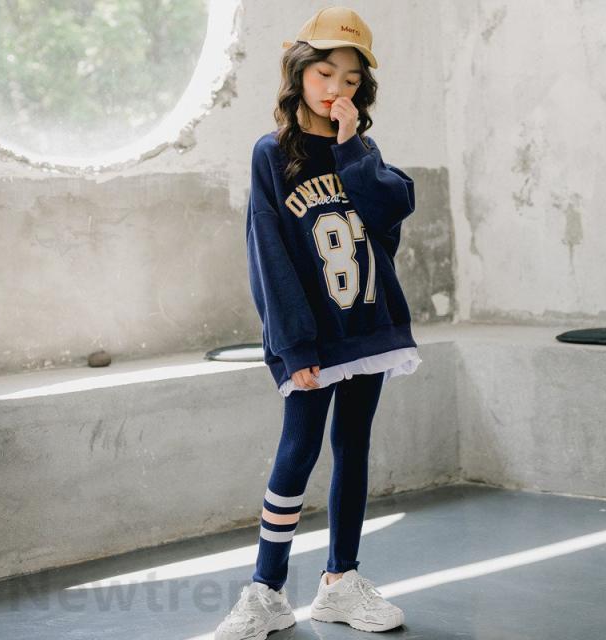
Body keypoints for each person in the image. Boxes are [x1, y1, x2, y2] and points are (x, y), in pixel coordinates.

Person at [215, 6, 421, 640]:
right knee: (298, 451)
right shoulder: (272, 154)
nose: (336, 88)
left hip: (369, 326)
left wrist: (352, 144)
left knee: (353, 448)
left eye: (351, 80)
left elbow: (392, 210)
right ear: (299, 72)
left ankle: (340, 582)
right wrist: (294, 345)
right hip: (313, 336)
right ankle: (266, 591)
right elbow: (268, 255)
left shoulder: (361, 151)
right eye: (325, 73)